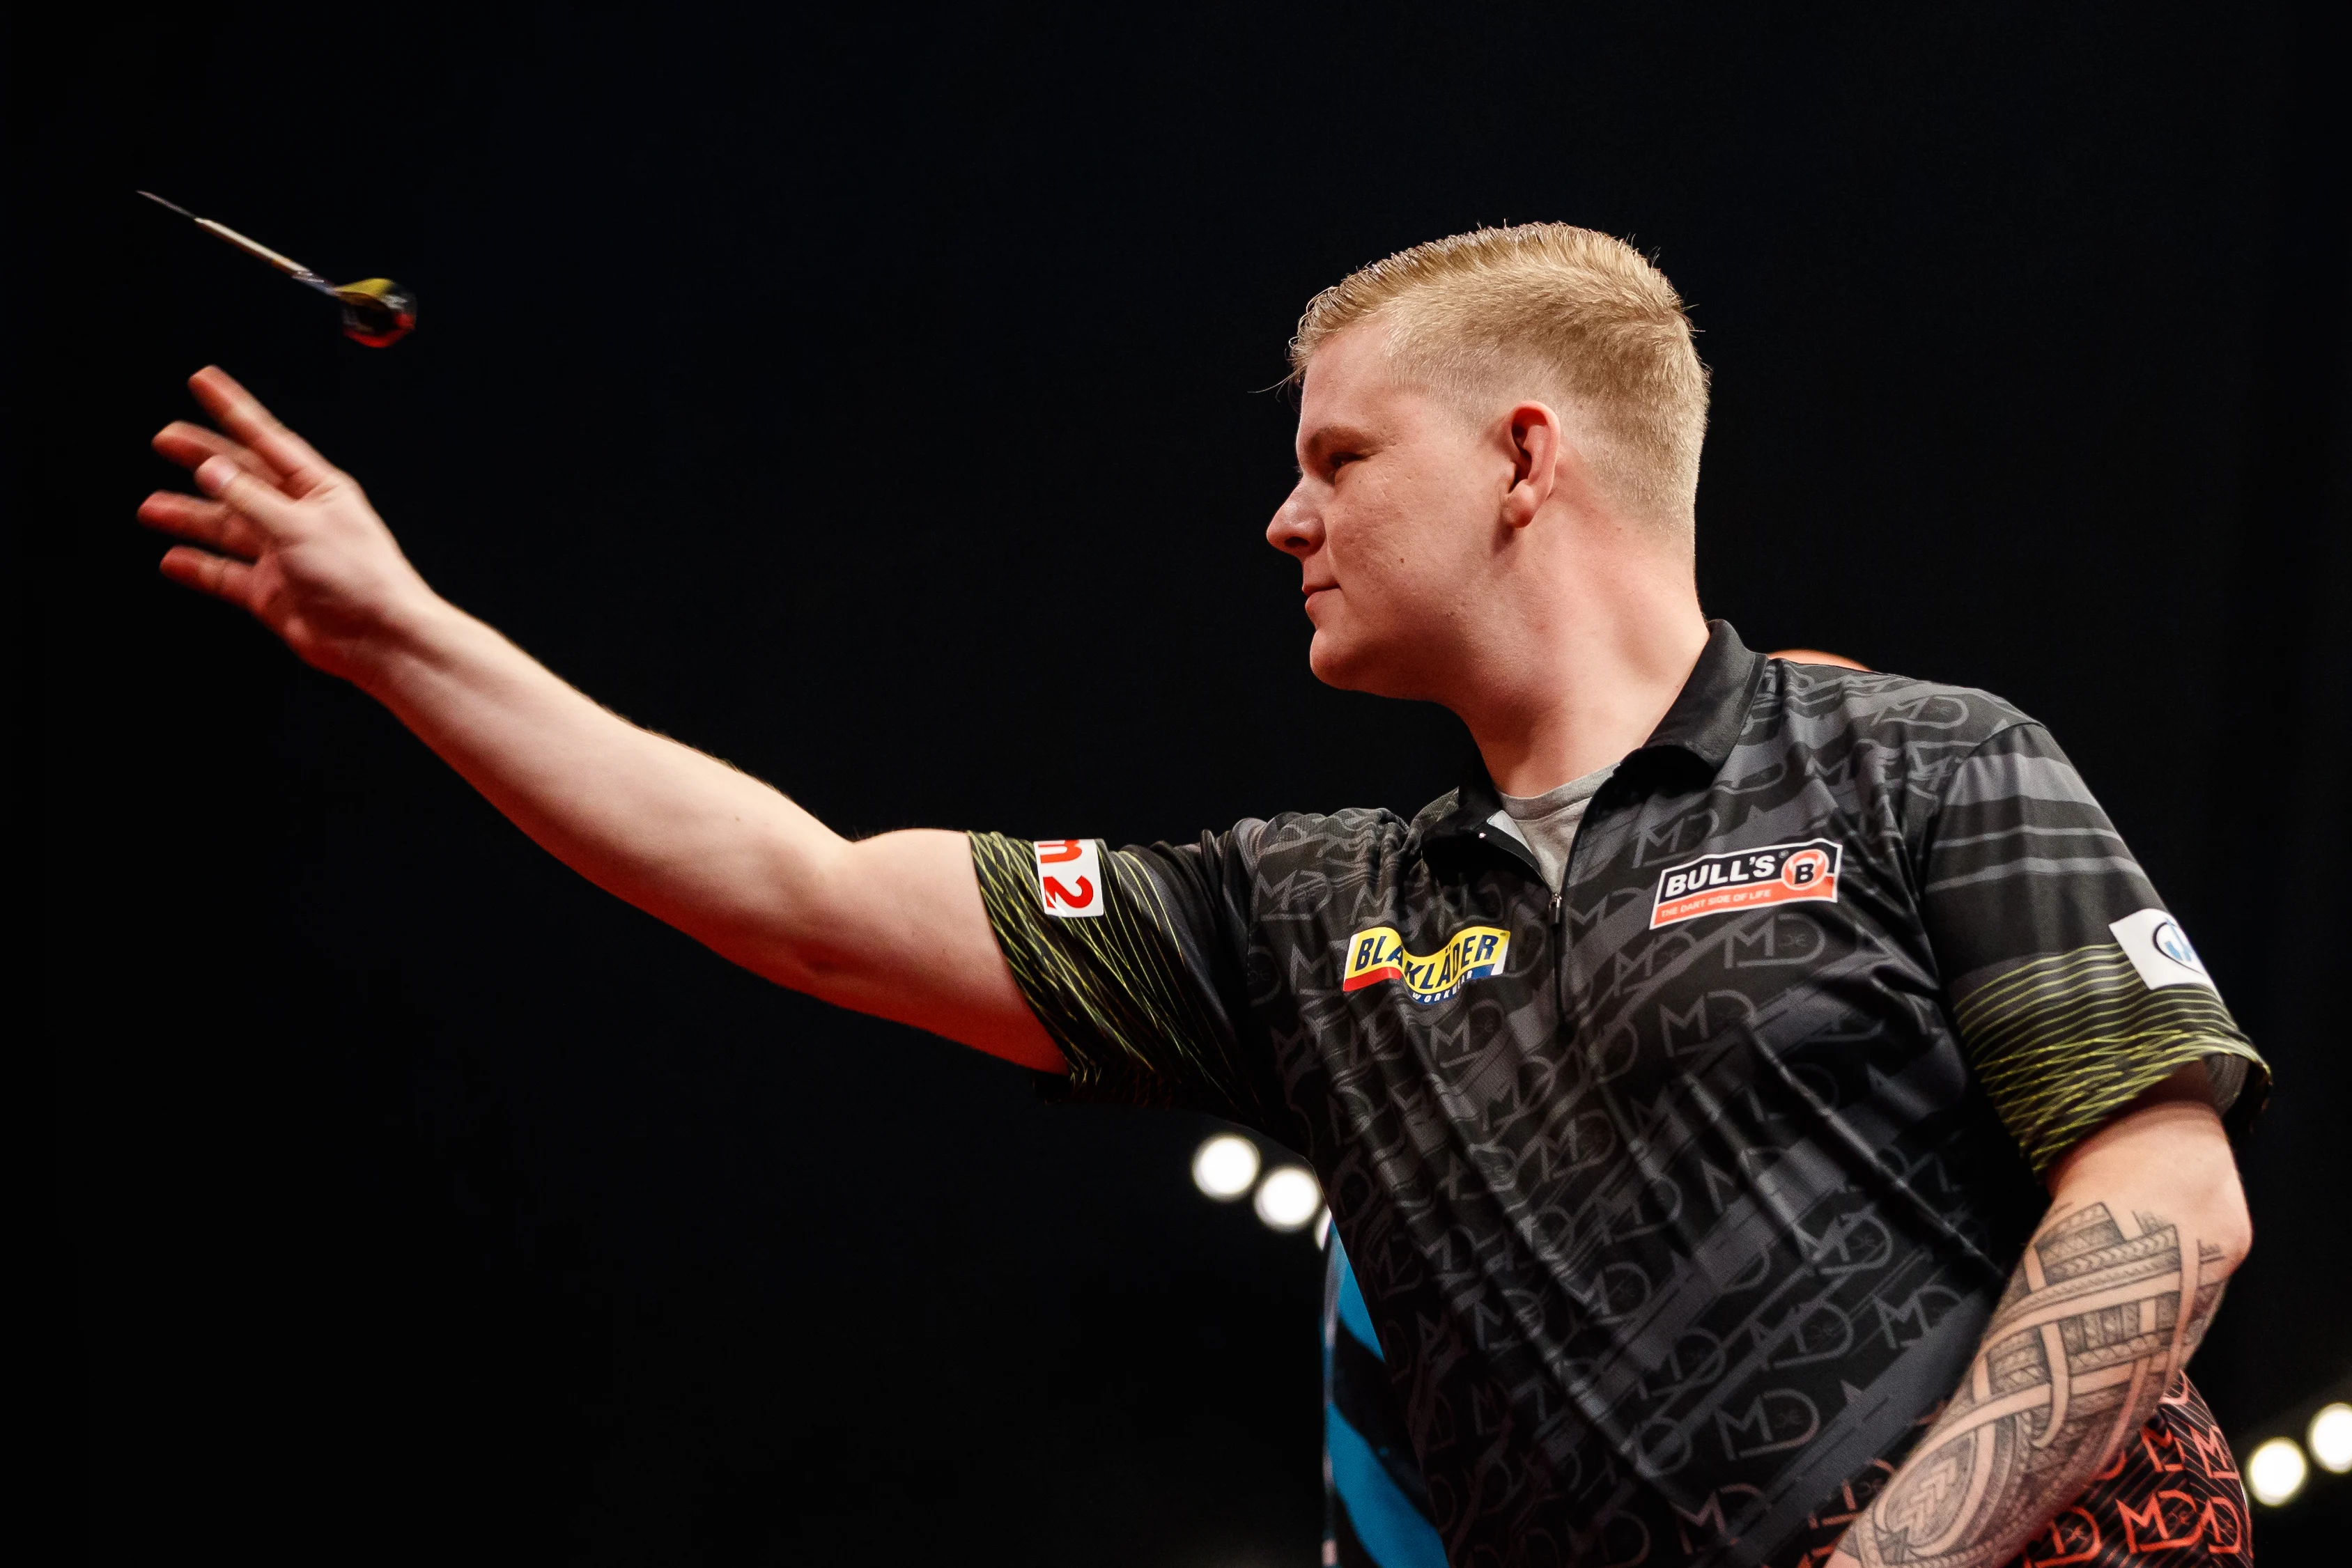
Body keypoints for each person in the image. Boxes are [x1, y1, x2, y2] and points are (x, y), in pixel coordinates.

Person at [139, 223, 2265, 1568]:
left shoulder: (1918, 758)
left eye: (1341, 458)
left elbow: (2168, 1200)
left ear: (1528, 459)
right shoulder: (1309, 909)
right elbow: (798, 891)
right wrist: (397, 632)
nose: (1281, 516)